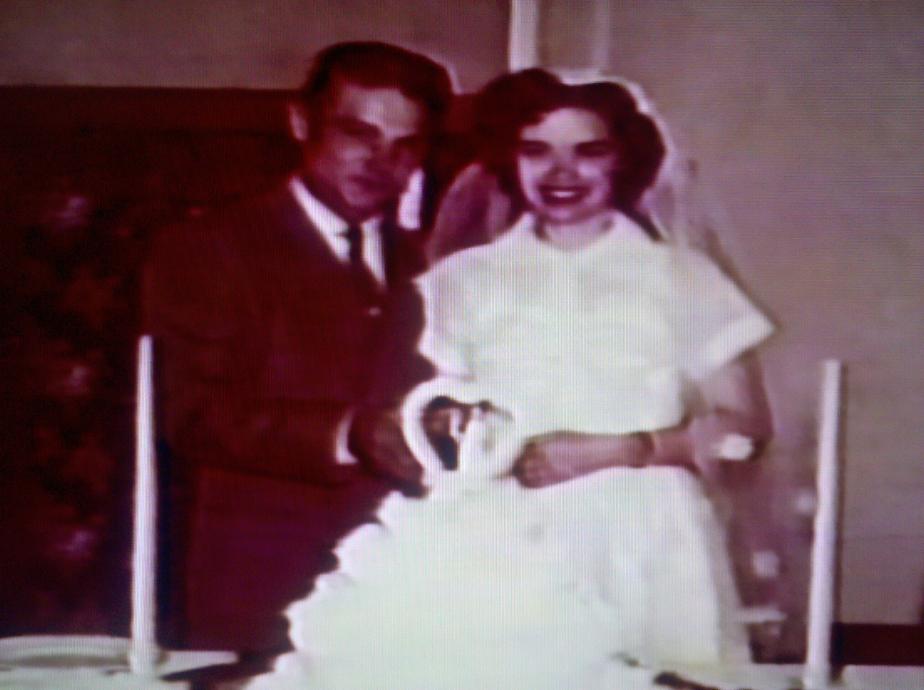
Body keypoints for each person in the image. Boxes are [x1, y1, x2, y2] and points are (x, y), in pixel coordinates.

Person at [247, 69, 775, 689]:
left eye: (589, 151)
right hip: (507, 538)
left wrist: (623, 449)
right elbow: (429, 416)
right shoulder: (458, 282)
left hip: (647, 535)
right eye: (536, 151)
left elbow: (745, 429)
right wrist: (446, 430)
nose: (561, 172)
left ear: (623, 160)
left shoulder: (683, 279)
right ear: (509, 158)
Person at [144, 41, 451, 653]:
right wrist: (348, 434)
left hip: (400, 582)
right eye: (358, 134)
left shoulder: (431, 264)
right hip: (261, 583)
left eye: (405, 145)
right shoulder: (210, 247)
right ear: (301, 122)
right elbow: (192, 414)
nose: (380, 161)